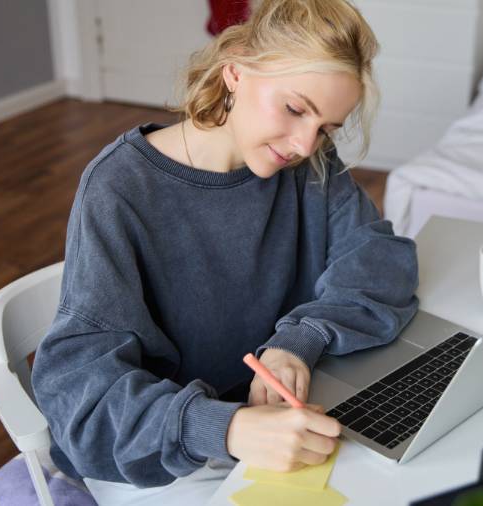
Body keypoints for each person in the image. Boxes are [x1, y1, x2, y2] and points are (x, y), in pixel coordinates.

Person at [30, 0, 419, 503]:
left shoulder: (309, 165)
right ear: (235, 71)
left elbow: (378, 259)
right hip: (164, 451)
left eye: (326, 127)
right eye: (296, 108)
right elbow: (81, 391)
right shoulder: (120, 188)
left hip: (281, 421)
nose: (304, 143)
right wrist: (226, 428)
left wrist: (299, 339)